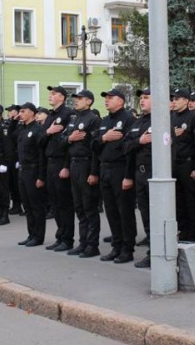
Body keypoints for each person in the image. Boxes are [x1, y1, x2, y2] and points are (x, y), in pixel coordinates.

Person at [94, 89, 137, 263]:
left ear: (120, 101)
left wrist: (128, 175)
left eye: (110, 98)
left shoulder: (128, 119)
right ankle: (116, 246)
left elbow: (131, 151)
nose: (106, 100)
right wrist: (104, 138)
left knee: (124, 211)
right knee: (110, 211)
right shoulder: (104, 121)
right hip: (105, 169)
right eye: (106, 98)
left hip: (121, 169)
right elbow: (94, 145)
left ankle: (128, 249)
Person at [63, 89, 102, 258]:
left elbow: (95, 149)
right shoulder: (74, 119)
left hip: (86, 164)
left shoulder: (93, 119)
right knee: (78, 206)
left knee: (89, 206)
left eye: (80, 98)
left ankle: (92, 245)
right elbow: (63, 140)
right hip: (74, 164)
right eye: (76, 98)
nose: (76, 101)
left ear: (89, 101)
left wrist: (94, 172)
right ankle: (83, 242)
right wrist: (70, 139)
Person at [171, 88, 195, 242]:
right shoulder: (171, 117)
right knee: (178, 200)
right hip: (174, 163)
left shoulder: (194, 117)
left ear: (186, 101)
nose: (174, 101)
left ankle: (194, 232)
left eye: (178, 99)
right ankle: (183, 230)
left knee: (191, 200)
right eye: (173, 99)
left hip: (188, 163)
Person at [43, 86, 76, 252]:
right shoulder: (50, 117)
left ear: (62, 97)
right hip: (50, 162)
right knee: (55, 203)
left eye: (54, 94)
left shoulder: (68, 114)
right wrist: (48, 132)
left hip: (61, 162)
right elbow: (41, 139)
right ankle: (60, 235)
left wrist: (66, 166)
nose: (50, 96)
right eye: (50, 93)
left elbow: (70, 144)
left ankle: (67, 239)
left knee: (64, 203)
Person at [124, 88, 153, 268]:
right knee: (146, 215)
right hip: (139, 173)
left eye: (146, 98)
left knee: (157, 216)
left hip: (154, 174)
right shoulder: (137, 123)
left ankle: (157, 253)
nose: (142, 101)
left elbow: (170, 149)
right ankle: (152, 251)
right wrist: (139, 142)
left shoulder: (163, 120)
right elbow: (125, 146)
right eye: (141, 98)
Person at [16, 103, 48, 246]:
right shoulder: (22, 128)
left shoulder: (38, 129)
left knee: (36, 206)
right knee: (27, 206)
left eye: (23, 111)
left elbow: (41, 155)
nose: (20, 114)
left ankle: (38, 236)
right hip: (23, 170)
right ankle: (31, 234)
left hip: (33, 170)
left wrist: (41, 177)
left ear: (32, 113)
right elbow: (11, 135)